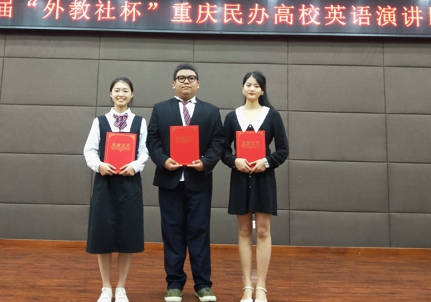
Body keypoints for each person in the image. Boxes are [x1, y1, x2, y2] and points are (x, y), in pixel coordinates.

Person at [146, 63, 225, 302]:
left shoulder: (211, 111)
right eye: (181, 78)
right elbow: (152, 140)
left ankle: (203, 285)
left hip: (199, 181)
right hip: (169, 181)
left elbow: (218, 142)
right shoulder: (160, 109)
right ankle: (174, 284)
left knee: (199, 232)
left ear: (198, 84)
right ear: (173, 84)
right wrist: (163, 160)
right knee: (172, 233)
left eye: (191, 78)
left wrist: (205, 162)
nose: (186, 82)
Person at [222, 71, 289, 302]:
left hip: (263, 179)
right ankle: (246, 288)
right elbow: (223, 150)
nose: (252, 88)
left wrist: (266, 162)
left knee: (262, 231)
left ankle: (261, 286)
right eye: (248, 84)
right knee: (243, 231)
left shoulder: (272, 116)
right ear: (243, 88)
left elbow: (283, 150)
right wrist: (235, 161)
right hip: (240, 179)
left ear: (262, 90)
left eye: (257, 85)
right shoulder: (232, 117)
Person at [83, 77, 149, 302]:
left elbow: (144, 151)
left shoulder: (139, 122)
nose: (121, 94)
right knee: (103, 236)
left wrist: (135, 165)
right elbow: (89, 150)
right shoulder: (100, 121)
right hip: (105, 183)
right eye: (117, 90)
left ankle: (121, 287)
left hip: (130, 183)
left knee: (127, 236)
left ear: (132, 94)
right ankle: (105, 287)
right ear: (111, 94)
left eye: (125, 90)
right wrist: (99, 165)